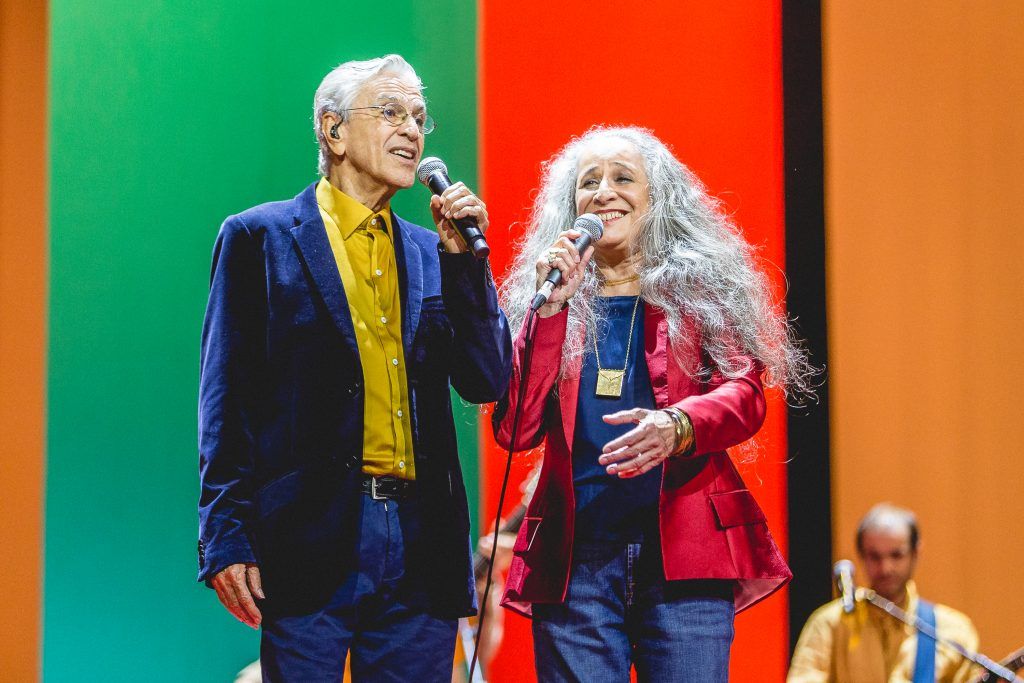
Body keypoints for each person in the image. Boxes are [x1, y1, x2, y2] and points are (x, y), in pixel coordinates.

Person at [197, 54, 512, 682]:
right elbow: (226, 399)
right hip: (309, 534)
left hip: (422, 543)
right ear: (332, 131)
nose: (412, 131)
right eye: (391, 112)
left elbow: (486, 380)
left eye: (420, 118)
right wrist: (225, 535)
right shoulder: (259, 238)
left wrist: (467, 268)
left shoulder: (432, 251)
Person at [493, 125, 814, 681]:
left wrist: (679, 425)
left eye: (623, 178)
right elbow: (516, 428)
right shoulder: (548, 299)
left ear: (658, 197)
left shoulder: (699, 293)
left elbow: (745, 396)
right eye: (588, 182)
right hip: (577, 564)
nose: (603, 192)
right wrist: (550, 315)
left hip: (684, 559)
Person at [788, 503, 979, 682]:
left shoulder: (952, 631)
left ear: (916, 553)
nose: (885, 568)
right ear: (861, 556)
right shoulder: (830, 624)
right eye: (874, 556)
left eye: (896, 555)